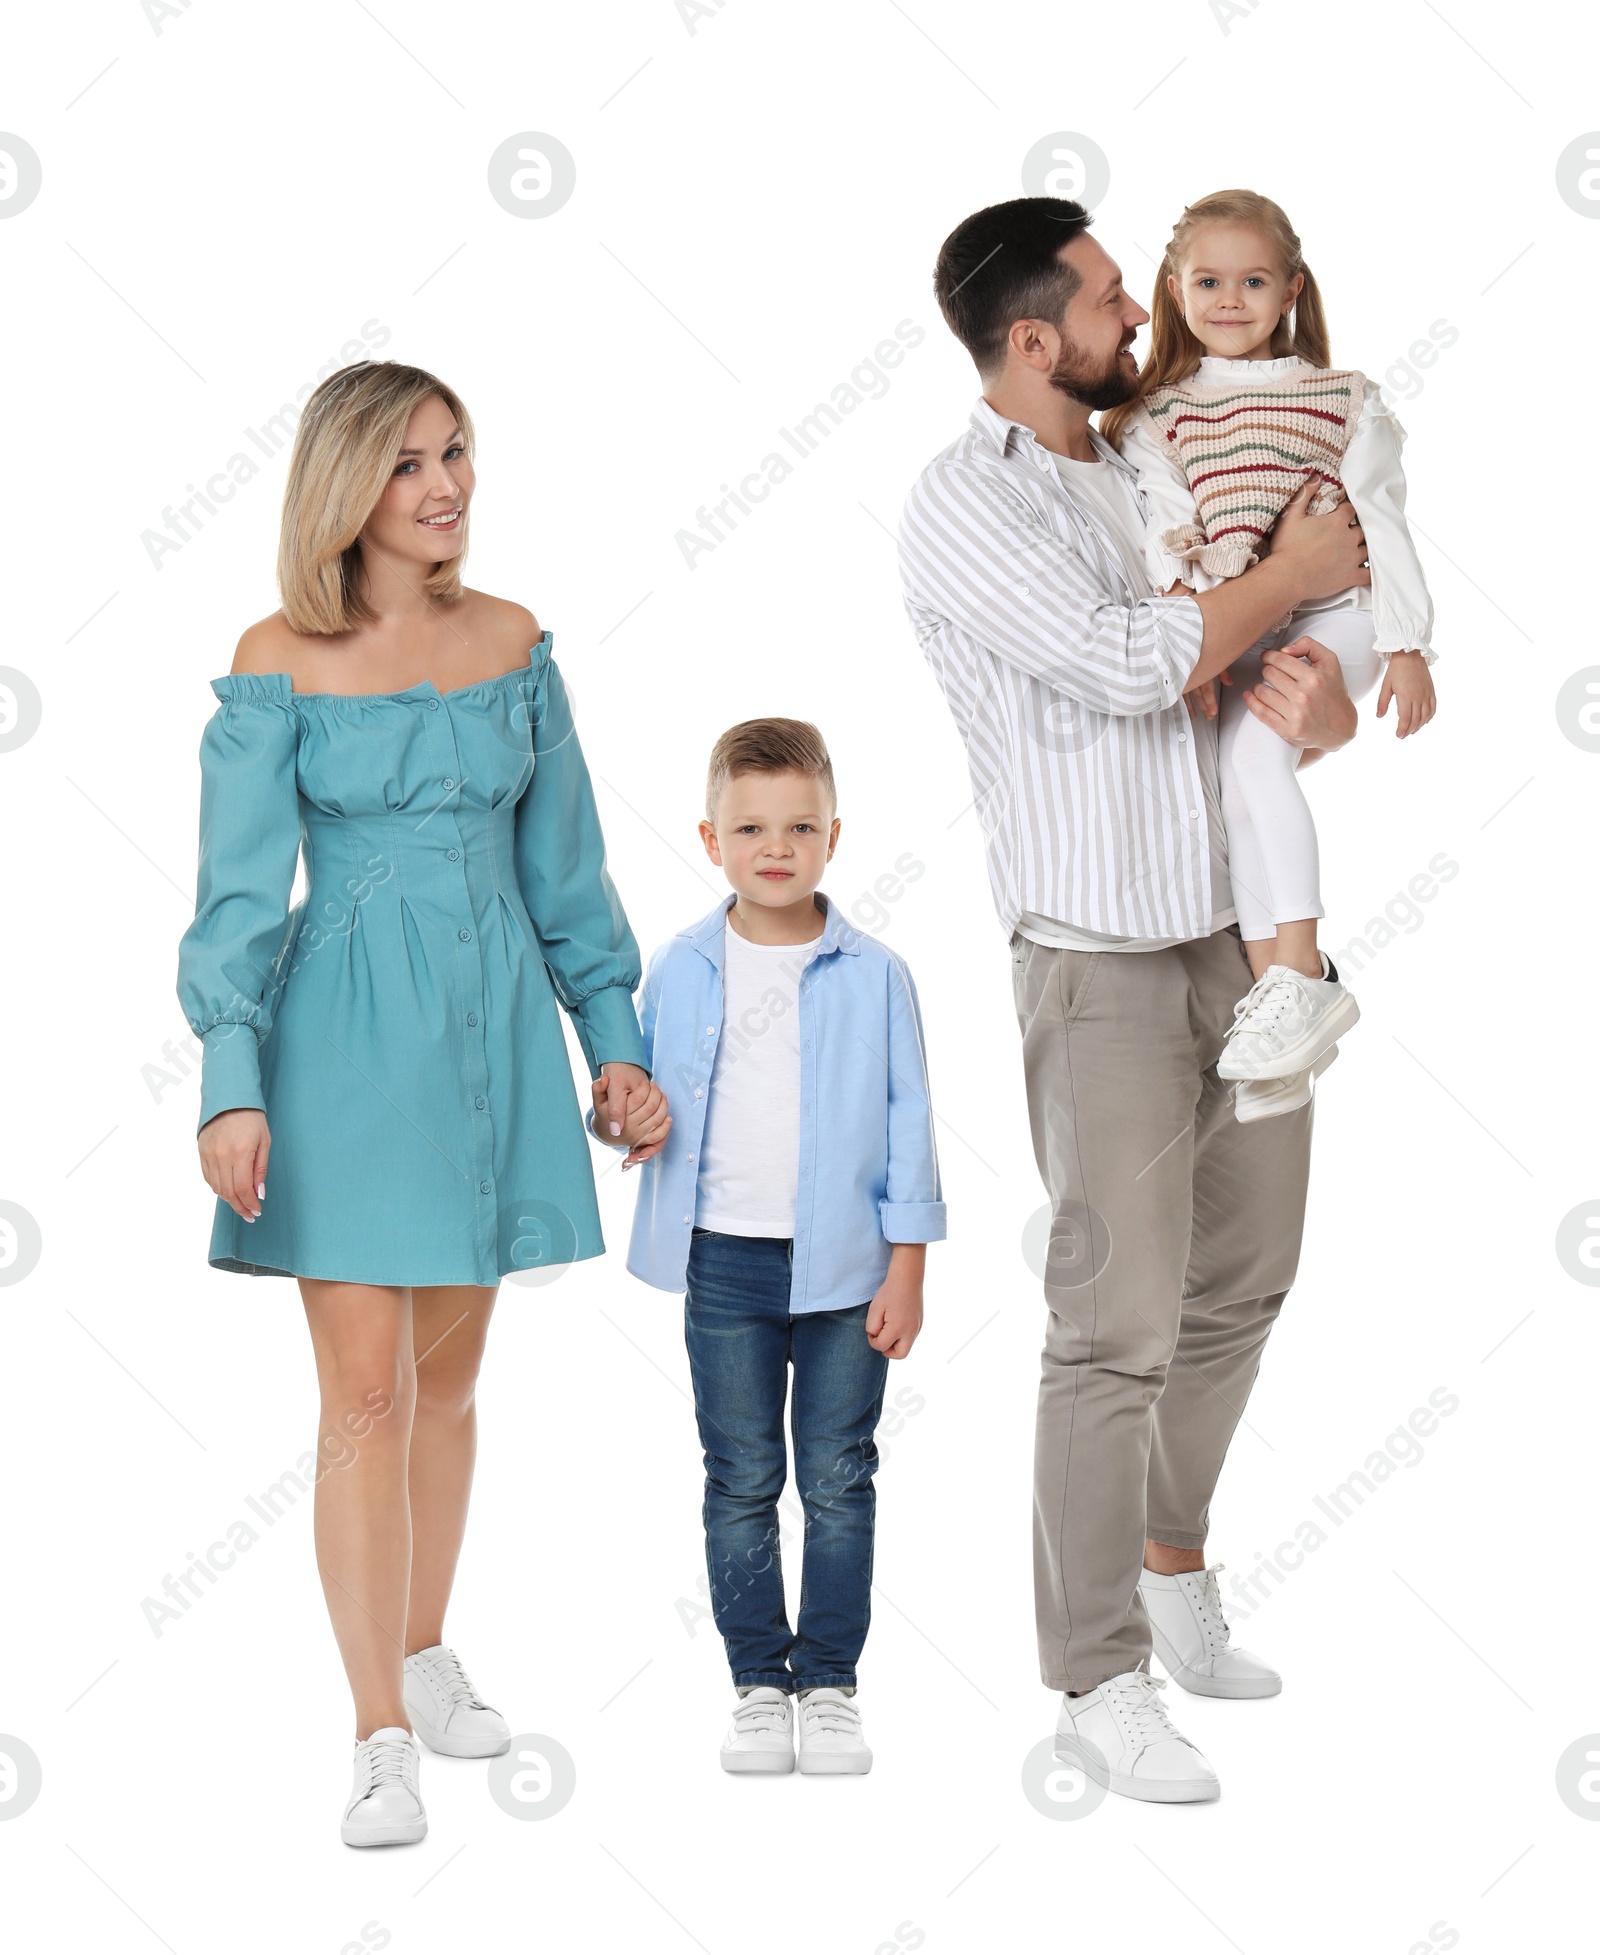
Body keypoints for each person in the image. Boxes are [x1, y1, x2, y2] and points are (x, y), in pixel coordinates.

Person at [899, 197, 1368, 1803]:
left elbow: (1254, 670)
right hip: (1093, 960)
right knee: (1113, 1324)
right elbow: (1122, 660)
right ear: (1033, 339)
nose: (1140, 313)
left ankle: (1173, 1560)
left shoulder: (1165, 458)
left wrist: (1323, 701)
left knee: (1246, 1277)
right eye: (1109, 298)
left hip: (1245, 949)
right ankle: (1091, 1671)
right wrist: (1293, 567)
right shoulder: (961, 504)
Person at [174, 361, 656, 1846]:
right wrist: (229, 1085)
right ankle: (375, 1726)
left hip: (493, 1044)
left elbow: (566, 874)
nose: (445, 486)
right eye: (408, 464)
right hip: (338, 1054)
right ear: (345, 488)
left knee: (446, 1386)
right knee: (363, 1391)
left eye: (456, 453)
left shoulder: (514, 641)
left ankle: (426, 1645)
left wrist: (614, 1042)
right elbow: (239, 900)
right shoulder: (276, 658)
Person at [587, 719, 945, 1777]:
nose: (774, 846)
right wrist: (621, 1118)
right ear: (710, 836)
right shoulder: (683, 964)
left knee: (838, 1475)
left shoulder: (877, 974)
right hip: (724, 1264)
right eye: (750, 826)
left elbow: (911, 1119)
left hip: (846, 1268)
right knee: (740, 1474)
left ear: (834, 835)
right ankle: (757, 1679)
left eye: (798, 825)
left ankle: (828, 1681)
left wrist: (908, 1262)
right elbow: (626, 1102)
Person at [1101, 188, 1438, 1103]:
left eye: (1254, 281)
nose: (1230, 300)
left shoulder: (1341, 398)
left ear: (1291, 289)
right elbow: (1169, 537)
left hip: (1342, 614)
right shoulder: (1157, 417)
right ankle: (1276, 1013)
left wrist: (1406, 644)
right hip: (1246, 621)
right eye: (1208, 280)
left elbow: (1386, 520)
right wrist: (1195, 646)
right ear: (1174, 288)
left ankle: (1299, 976)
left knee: (1254, 759)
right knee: (1238, 791)